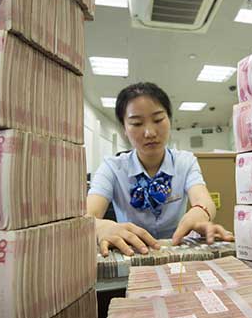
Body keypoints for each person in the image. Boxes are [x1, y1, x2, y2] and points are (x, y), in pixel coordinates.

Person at [86, 83, 233, 256]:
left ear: (169, 120)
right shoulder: (112, 167)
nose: (149, 133)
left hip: (177, 252)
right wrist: (101, 226)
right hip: (132, 253)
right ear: (124, 128)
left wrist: (200, 212)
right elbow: (88, 215)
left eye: (158, 120)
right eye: (137, 123)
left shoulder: (185, 162)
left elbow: (203, 199)